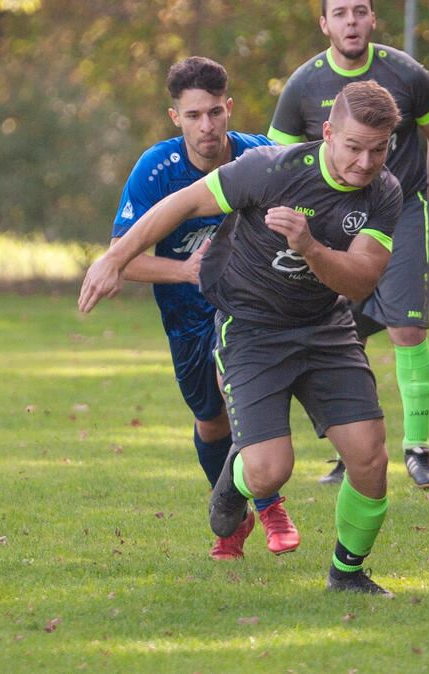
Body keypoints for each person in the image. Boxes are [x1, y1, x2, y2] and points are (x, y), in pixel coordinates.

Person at [81, 80, 405, 596]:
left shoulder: (384, 192)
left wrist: (309, 246)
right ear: (326, 133)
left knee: (370, 457)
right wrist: (113, 259)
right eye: (353, 147)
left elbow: (362, 279)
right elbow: (181, 206)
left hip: (325, 328)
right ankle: (236, 478)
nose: (366, 162)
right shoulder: (271, 169)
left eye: (379, 149)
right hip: (253, 328)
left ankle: (347, 574)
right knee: (269, 471)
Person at [110, 56, 298, 560]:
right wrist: (186, 271)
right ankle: (230, 518)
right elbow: (122, 259)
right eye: (194, 115)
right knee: (212, 421)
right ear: (176, 117)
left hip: (248, 312)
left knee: (235, 391)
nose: (207, 126)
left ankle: (270, 503)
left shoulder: (260, 155)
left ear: (229, 107)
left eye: (215, 112)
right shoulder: (157, 169)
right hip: (185, 318)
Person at [267, 0, 429, 489]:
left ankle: (418, 449)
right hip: (334, 221)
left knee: (407, 329)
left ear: (373, 19)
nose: (352, 21)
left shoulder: (409, 75)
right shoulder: (303, 85)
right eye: (341, 12)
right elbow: (280, 162)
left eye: (361, 10)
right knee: (339, 330)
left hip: (403, 212)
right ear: (324, 23)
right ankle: (349, 451)